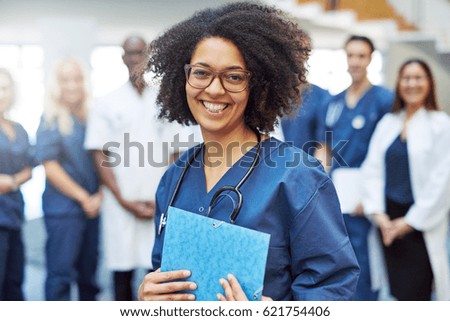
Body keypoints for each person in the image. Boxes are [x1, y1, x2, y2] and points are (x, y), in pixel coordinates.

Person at [138, 2, 359, 301]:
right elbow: (163, 272)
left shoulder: (298, 176)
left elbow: (334, 289)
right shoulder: (173, 180)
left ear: (258, 86)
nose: (214, 90)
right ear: (183, 79)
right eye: (201, 72)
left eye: (234, 76)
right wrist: (150, 293)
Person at [84, 35, 190, 301]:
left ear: (149, 56)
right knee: (122, 273)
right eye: (130, 53)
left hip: (159, 203)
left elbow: (177, 152)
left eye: (140, 52)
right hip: (121, 204)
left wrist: (164, 199)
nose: (135, 59)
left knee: (157, 273)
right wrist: (123, 199)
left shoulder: (166, 100)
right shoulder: (107, 102)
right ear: (122, 58)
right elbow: (99, 151)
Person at [361, 59, 450, 300]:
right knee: (397, 293)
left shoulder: (441, 124)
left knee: (417, 294)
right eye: (406, 78)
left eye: (418, 77)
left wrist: (407, 223)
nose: (412, 83)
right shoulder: (388, 123)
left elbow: (442, 181)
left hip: (419, 225)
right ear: (398, 83)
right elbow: (372, 169)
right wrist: (379, 216)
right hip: (388, 223)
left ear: (430, 83)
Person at [316, 35, 394, 300]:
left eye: (361, 56)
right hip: (339, 189)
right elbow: (324, 147)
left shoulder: (384, 100)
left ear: (370, 59)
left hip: (367, 189)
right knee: (339, 254)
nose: (355, 62)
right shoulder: (333, 103)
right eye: (351, 55)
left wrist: (372, 198)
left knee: (366, 257)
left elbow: (389, 153)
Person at [35, 58, 102, 300]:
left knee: (89, 278)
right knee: (61, 276)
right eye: (65, 80)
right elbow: (50, 167)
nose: (72, 85)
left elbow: (105, 160)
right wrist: (85, 198)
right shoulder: (50, 119)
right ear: (56, 85)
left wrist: (100, 196)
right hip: (63, 210)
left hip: (93, 208)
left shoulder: (94, 117)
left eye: (77, 79)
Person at [0, 68, 33, 300]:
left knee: (14, 281)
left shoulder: (18, 129)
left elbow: (30, 169)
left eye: (4, 88)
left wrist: (10, 181)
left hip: (13, 213)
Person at [281, 83, 331, 155]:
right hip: (288, 158)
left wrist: (315, 165)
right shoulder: (282, 97)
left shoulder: (321, 96)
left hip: (311, 161)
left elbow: (323, 145)